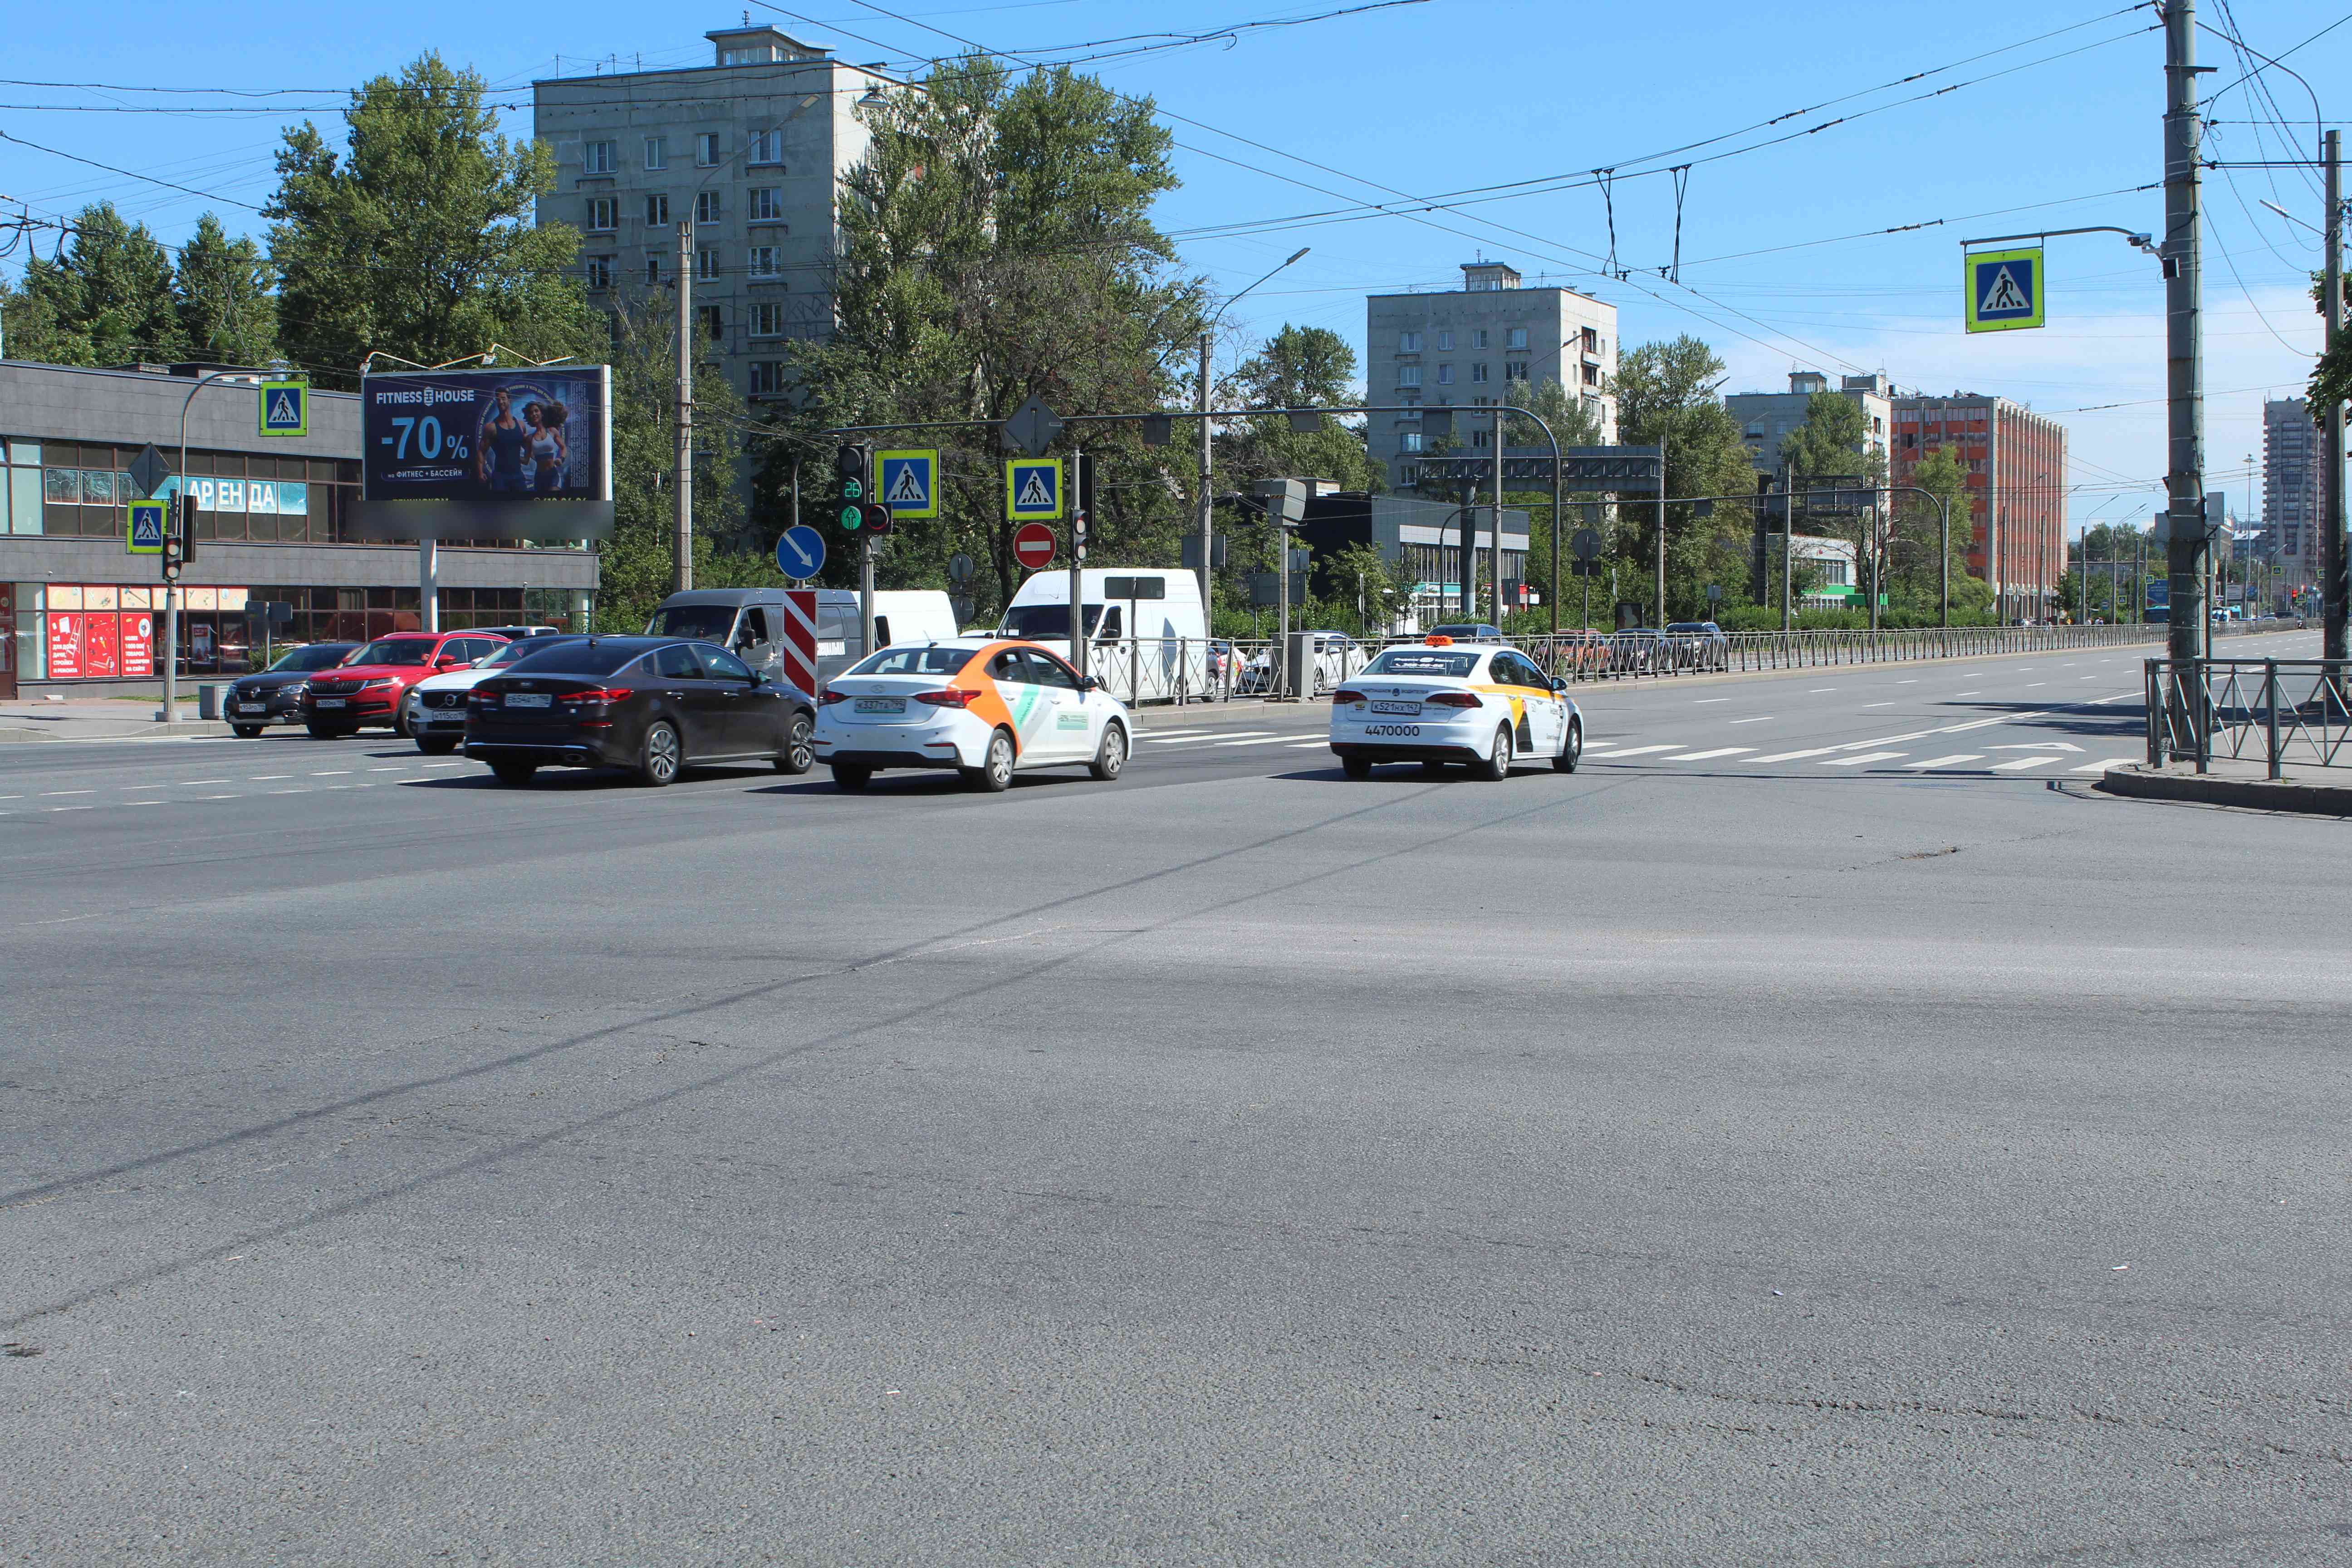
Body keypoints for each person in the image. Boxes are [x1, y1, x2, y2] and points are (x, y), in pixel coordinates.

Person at [477, 388, 529, 493]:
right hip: (500, 478)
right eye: (498, 399)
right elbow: (482, 451)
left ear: (509, 400)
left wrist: (530, 458)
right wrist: (480, 472)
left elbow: (528, 447)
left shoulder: (521, 425)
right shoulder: (491, 428)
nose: (501, 402)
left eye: (503, 399)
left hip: (518, 476)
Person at [523, 400, 568, 493]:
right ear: (529, 417)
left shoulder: (552, 431)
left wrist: (561, 459)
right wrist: (511, 453)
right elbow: (525, 460)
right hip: (539, 478)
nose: (534, 414)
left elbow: (564, 448)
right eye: (531, 413)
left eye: (536, 411)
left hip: (553, 475)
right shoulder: (530, 438)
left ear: (542, 414)